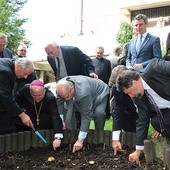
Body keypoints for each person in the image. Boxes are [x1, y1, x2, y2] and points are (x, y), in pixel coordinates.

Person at [116, 58, 170, 163]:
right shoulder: (138, 98)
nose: (130, 96)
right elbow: (142, 121)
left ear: (134, 82)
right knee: (156, 122)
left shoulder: (154, 68)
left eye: (129, 92)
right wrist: (138, 150)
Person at [56, 75, 109, 153]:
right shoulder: (60, 88)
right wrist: (61, 120)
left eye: (67, 96)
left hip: (99, 93)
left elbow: (86, 115)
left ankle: (98, 138)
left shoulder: (83, 93)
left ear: (72, 88)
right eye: (63, 97)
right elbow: (59, 103)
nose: (66, 99)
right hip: (83, 93)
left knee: (98, 113)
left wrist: (80, 140)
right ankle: (71, 136)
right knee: (67, 108)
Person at [15, 80, 63, 150]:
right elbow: (15, 102)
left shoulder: (50, 98)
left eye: (40, 95)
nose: (37, 97)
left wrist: (58, 137)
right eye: (34, 95)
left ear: (44, 91)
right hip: (28, 117)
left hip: (43, 119)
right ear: (30, 92)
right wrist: (22, 113)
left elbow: (55, 116)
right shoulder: (25, 89)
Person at [0, 58, 34, 135]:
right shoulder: (4, 72)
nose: (25, 77)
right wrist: (22, 115)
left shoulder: (9, 63)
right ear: (19, 66)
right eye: (25, 73)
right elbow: (5, 96)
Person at [109, 65, 138, 155]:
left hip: (143, 111)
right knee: (132, 130)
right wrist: (115, 138)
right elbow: (118, 110)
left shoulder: (140, 82)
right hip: (130, 111)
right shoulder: (116, 89)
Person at [92, 46, 111, 119]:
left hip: (105, 83)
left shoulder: (107, 62)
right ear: (95, 52)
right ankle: (94, 115)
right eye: (98, 53)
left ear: (103, 53)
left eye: (101, 53)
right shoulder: (92, 61)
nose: (99, 54)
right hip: (95, 84)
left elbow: (109, 72)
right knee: (95, 99)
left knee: (105, 99)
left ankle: (107, 115)